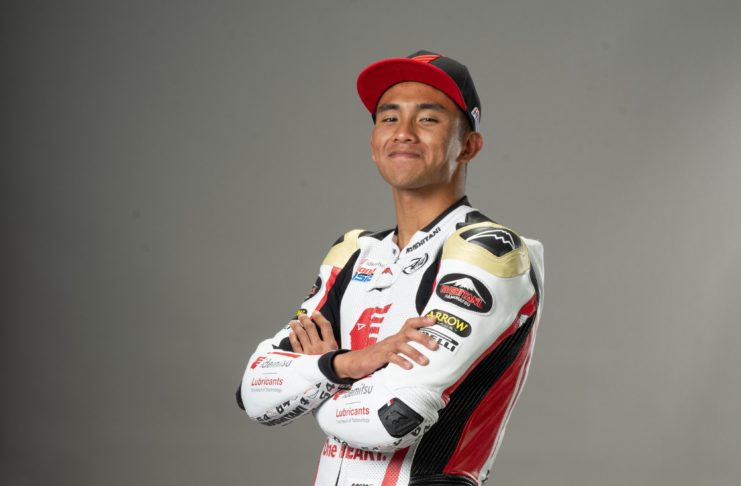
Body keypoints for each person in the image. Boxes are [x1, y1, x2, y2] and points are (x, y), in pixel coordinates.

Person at [236, 50, 544, 486]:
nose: (403, 133)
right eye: (389, 118)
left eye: (428, 119)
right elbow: (254, 393)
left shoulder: (489, 250)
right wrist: (350, 364)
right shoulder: (355, 252)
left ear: (469, 145)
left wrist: (317, 377)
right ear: (373, 143)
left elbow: (392, 419)